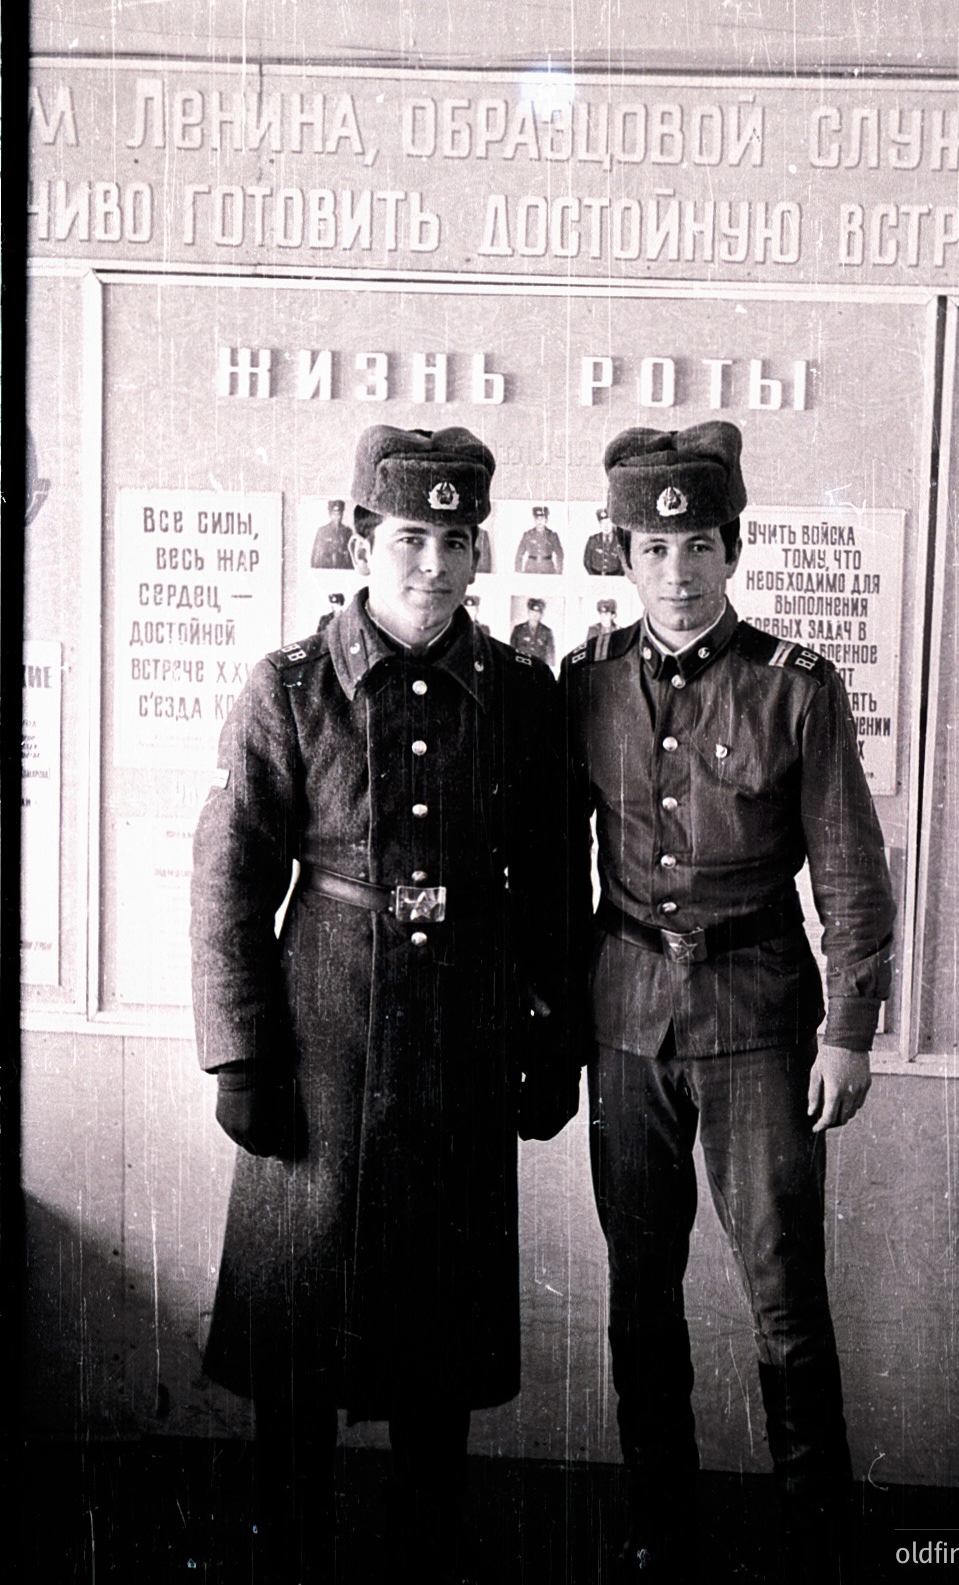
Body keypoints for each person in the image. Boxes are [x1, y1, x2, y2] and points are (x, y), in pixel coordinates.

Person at [191, 424, 579, 1583]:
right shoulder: (291, 688)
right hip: (321, 1044)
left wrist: (549, 1041)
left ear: (479, 552)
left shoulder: (517, 695)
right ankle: (289, 1546)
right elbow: (228, 879)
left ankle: (425, 1546)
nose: (433, 566)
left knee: (438, 1331)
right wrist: (240, 1058)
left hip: (461, 1041)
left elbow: (557, 881)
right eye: (410, 536)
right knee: (300, 1320)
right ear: (364, 539)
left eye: (456, 541)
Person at [561, 421, 895, 1583]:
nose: (677, 573)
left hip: (757, 1024)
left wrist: (847, 1031)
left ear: (730, 549)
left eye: (698, 545)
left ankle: (816, 1534)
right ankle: (660, 1523)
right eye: (652, 553)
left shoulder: (794, 690)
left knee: (783, 1296)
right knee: (636, 1296)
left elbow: (851, 872)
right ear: (621, 557)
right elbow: (556, 860)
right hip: (624, 1022)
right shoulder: (586, 683)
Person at [515, 504, 564, 573]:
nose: (539, 521)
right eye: (537, 519)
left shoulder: (552, 536)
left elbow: (560, 554)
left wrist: (559, 571)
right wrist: (518, 570)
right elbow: (519, 554)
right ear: (534, 520)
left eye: (542, 518)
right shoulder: (527, 535)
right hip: (531, 569)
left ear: (546, 520)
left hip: (547, 569)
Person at [510, 597, 556, 669]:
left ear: (541, 615)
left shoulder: (546, 631)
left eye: (537, 613)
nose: (534, 616)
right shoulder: (518, 630)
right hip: (521, 668)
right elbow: (511, 651)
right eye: (532, 613)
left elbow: (550, 654)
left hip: (539, 668)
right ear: (528, 612)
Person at [309, 498, 354, 569]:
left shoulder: (347, 532)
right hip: (326, 569)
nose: (336, 517)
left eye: (338, 514)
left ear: (342, 515)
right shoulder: (322, 531)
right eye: (334, 514)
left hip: (343, 570)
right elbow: (315, 555)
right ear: (330, 515)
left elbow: (352, 556)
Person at [583, 507, 624, 575]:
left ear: (613, 524)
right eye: (603, 523)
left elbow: (624, 564)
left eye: (608, 523)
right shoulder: (593, 540)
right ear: (600, 525)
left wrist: (616, 578)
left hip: (615, 578)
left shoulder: (620, 540)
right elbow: (587, 562)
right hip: (596, 577)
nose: (606, 526)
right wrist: (594, 576)